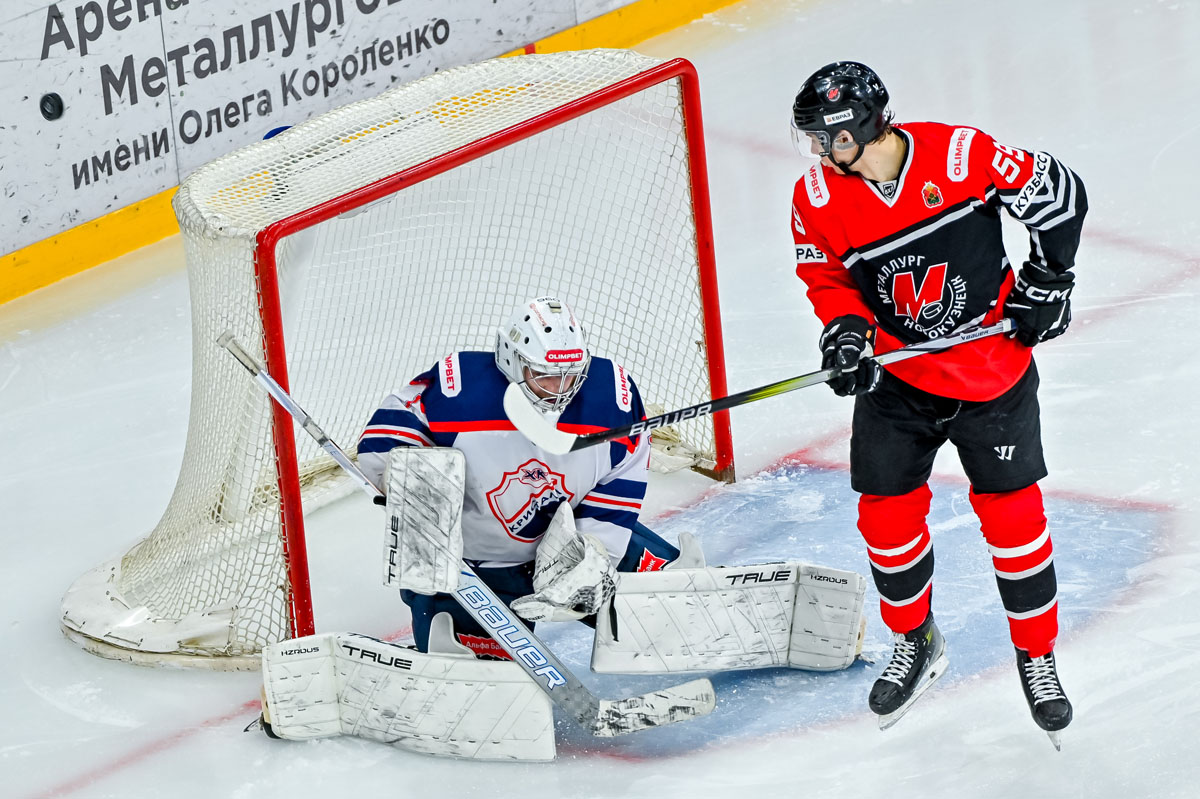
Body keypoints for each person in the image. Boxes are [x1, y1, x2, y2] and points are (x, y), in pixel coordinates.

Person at [787, 61, 1086, 740]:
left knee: (1015, 522)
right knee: (885, 519)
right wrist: (847, 334)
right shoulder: (816, 195)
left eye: (822, 138)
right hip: (900, 380)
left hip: (992, 371)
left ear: (853, 131)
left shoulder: (959, 155)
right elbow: (828, 278)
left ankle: (1037, 655)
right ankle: (915, 640)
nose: (814, 151)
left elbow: (1061, 195)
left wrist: (1048, 279)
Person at [356, 295, 679, 657]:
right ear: (513, 360)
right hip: (476, 566)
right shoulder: (460, 391)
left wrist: (598, 547)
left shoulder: (612, 400)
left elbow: (625, 467)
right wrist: (401, 479)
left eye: (571, 375)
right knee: (477, 672)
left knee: (671, 610)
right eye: (544, 376)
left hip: (567, 540)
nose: (560, 390)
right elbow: (384, 436)